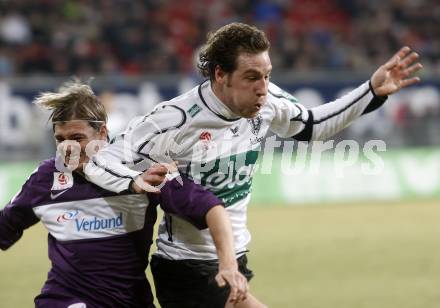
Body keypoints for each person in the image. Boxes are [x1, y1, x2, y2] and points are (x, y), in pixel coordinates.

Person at [84, 22, 423, 308]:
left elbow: (312, 125)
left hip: (233, 259)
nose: (263, 89)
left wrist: (371, 91)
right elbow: (102, 157)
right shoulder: (175, 119)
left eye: (266, 75)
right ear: (220, 74)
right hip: (188, 267)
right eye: (251, 78)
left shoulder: (267, 100)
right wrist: (134, 181)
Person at [0, 81, 249, 307]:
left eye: (77, 137)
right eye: (61, 139)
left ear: (102, 134)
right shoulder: (46, 178)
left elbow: (212, 209)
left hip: (131, 301)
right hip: (66, 299)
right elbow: (6, 227)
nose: (68, 148)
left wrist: (228, 264)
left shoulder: (143, 169)